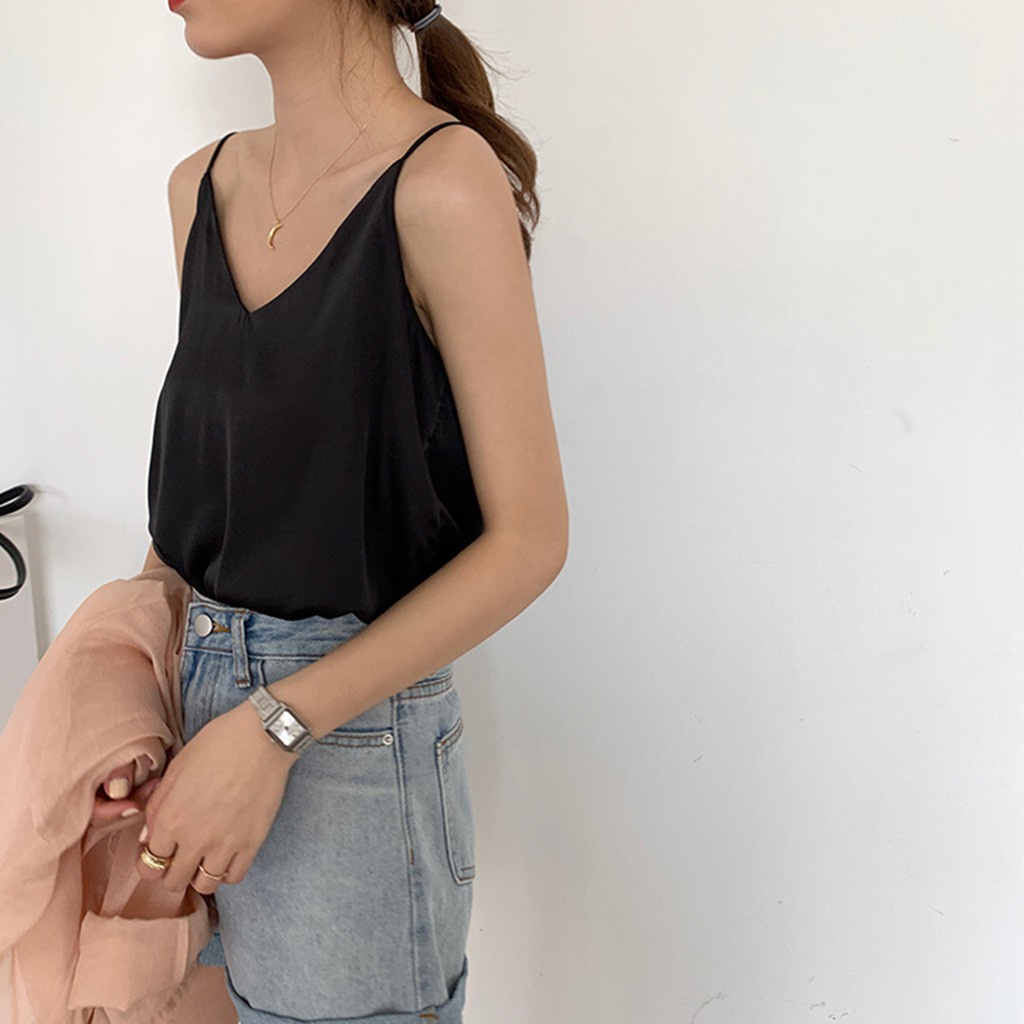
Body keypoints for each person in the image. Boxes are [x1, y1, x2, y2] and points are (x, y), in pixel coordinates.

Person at [89, 2, 568, 1021]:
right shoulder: (200, 187)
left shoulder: (443, 185)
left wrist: (273, 727)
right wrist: (129, 703)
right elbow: (214, 506)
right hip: (185, 744)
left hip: (348, 753)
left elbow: (528, 542)